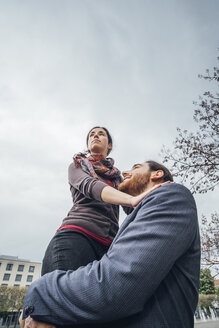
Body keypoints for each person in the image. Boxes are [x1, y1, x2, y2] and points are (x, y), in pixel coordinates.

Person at [20, 160, 200, 328]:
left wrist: (39, 292)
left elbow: (115, 286)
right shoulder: (78, 166)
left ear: (157, 174)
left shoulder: (170, 195)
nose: (126, 172)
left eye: (136, 167)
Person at [42, 126, 147, 274]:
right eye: (92, 135)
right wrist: (131, 199)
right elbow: (91, 186)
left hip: (108, 249)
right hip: (76, 238)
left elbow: (135, 210)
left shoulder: (117, 177)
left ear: (109, 145)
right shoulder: (77, 165)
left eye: (101, 134)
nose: (95, 136)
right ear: (88, 144)